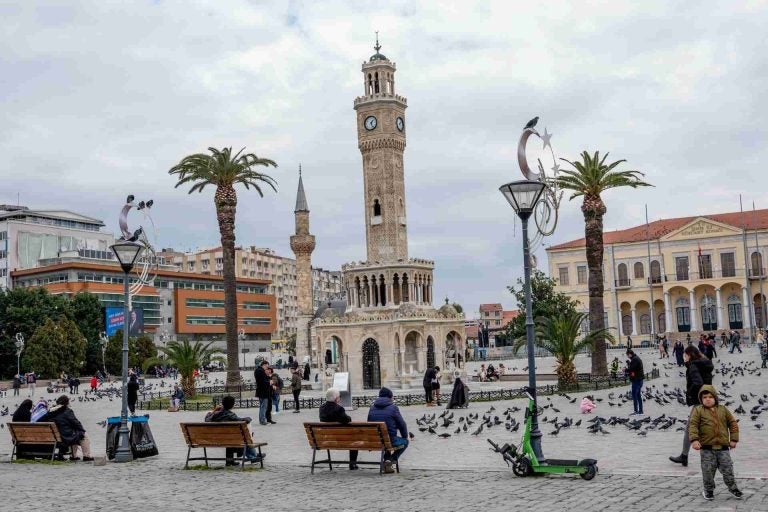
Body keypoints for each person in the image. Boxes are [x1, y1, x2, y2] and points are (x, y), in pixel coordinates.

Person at [688, 385, 742, 500]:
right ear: (701, 399)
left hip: (723, 448)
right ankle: (708, 491)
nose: (707, 399)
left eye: (710, 397)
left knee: (728, 469)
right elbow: (693, 425)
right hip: (707, 449)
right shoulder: (698, 410)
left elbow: (733, 423)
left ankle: (733, 488)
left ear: (715, 398)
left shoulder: (723, 409)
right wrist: (694, 440)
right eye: (704, 397)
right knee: (708, 471)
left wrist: (733, 439)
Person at [670, 345, 714, 467]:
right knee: (706, 428)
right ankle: (711, 457)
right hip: (708, 399)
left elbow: (698, 382)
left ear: (689, 355)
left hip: (699, 402)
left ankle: (685, 456)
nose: (683, 357)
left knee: (690, 429)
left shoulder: (694, 366)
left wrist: (690, 392)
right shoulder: (704, 363)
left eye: (685, 355)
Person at [205, 395, 263, 465]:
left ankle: (230, 461)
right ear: (232, 405)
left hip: (216, 439)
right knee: (245, 437)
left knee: (235, 437)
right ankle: (253, 456)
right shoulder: (231, 415)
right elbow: (245, 420)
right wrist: (249, 418)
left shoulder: (215, 415)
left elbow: (207, 419)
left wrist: (214, 410)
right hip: (231, 439)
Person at [367, 387, 408, 474]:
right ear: (390, 397)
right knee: (405, 442)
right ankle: (390, 460)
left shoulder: (372, 408)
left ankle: (387, 460)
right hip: (390, 440)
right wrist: (405, 436)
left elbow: (369, 423)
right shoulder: (393, 408)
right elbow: (402, 424)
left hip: (375, 440)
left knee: (386, 441)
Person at [43, 395, 93, 461]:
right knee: (83, 436)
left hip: (56, 436)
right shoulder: (67, 410)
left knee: (75, 434)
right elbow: (75, 422)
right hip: (65, 436)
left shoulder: (50, 411)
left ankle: (74, 456)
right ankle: (86, 456)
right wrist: (82, 430)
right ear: (66, 403)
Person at [320, 387, 358, 470]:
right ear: (336, 398)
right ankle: (352, 464)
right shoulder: (339, 409)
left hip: (325, 438)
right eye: (339, 397)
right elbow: (347, 419)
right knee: (354, 440)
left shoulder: (322, 408)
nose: (340, 398)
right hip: (340, 439)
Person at [625, 349, 644, 416]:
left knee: (634, 395)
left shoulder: (635, 359)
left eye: (627, 355)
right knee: (638, 395)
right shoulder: (636, 358)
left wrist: (625, 370)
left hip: (637, 380)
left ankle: (636, 411)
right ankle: (641, 411)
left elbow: (632, 369)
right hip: (639, 380)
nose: (627, 356)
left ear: (630, 354)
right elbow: (634, 368)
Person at [254, 360, 270, 425]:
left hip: (261, 391)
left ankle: (262, 420)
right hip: (263, 392)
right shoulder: (260, 371)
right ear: (264, 365)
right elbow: (262, 382)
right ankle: (263, 421)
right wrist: (269, 382)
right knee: (263, 407)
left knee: (262, 407)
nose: (267, 367)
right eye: (267, 366)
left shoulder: (257, 370)